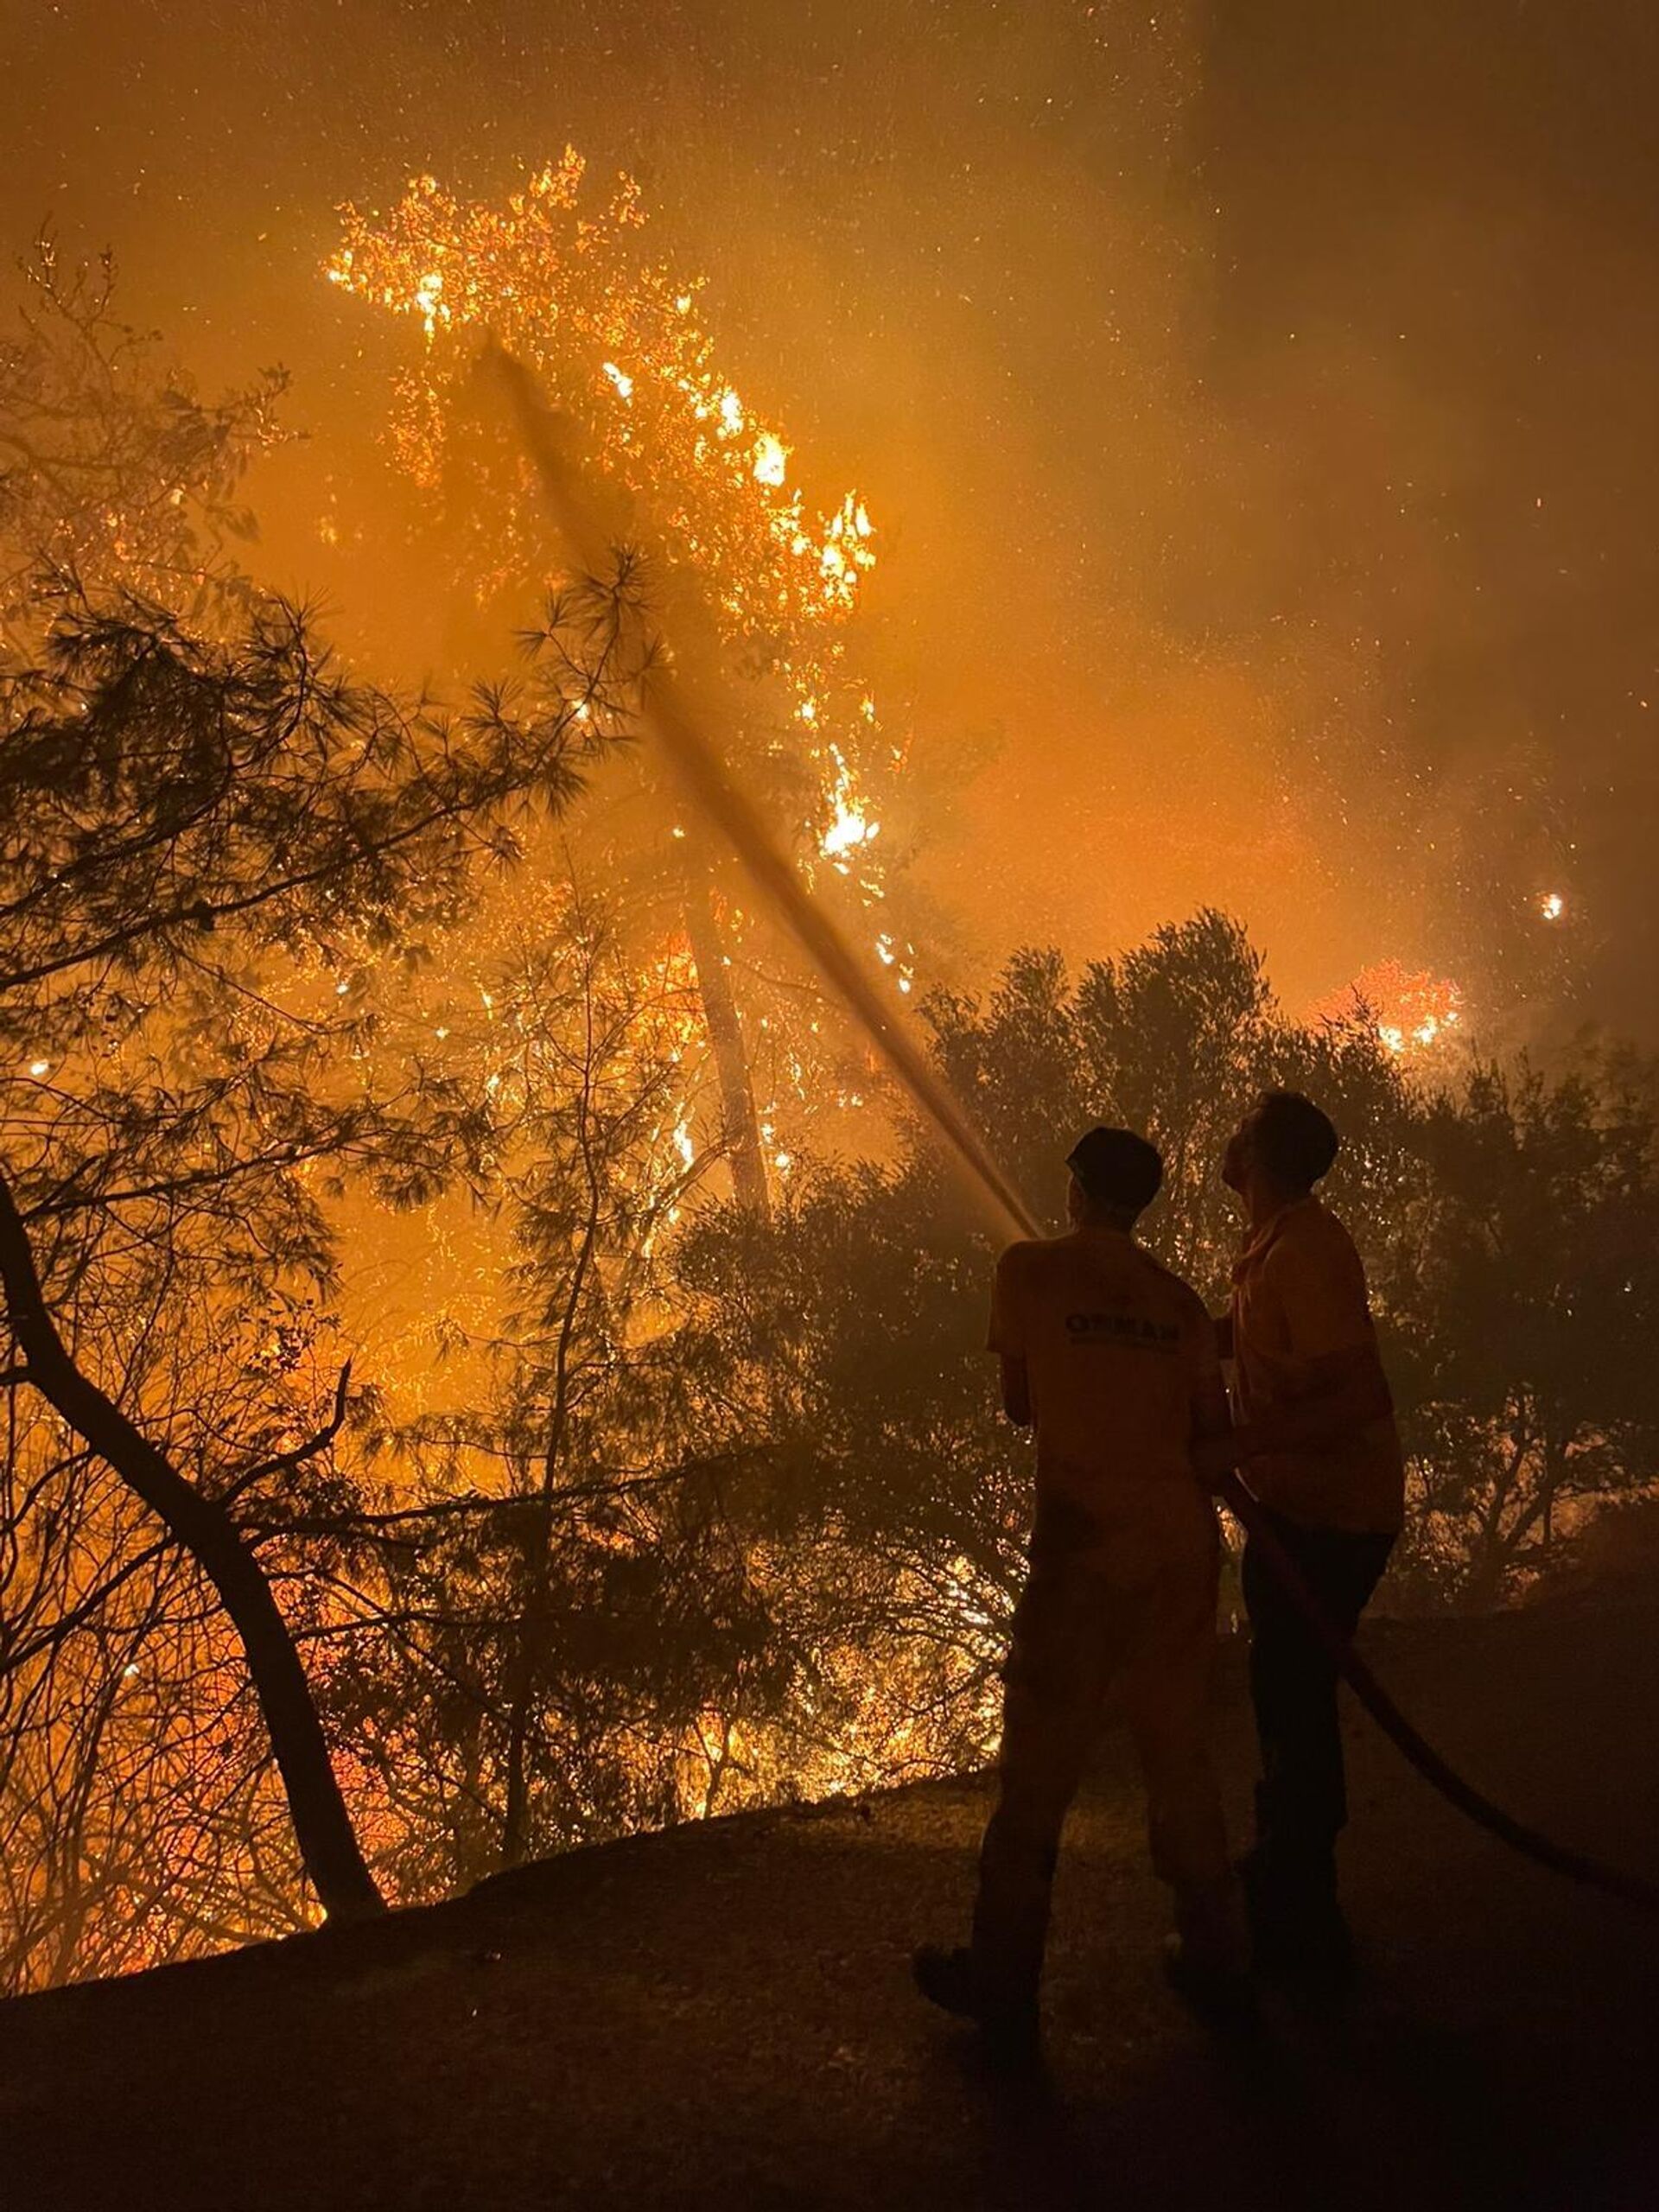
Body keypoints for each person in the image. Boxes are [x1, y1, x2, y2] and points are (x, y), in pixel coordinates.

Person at [912, 1127, 1249, 2059]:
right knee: (1178, 1750)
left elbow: (1021, 1404)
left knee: (1040, 1771)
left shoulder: (1028, 1271)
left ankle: (1002, 1978)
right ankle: (1222, 1955)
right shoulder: (1180, 1303)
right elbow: (1210, 1432)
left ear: (1075, 1191)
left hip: (1082, 1547)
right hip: (1180, 1548)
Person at [1211, 1089, 1403, 1985]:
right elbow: (1264, 1347)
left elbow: (1355, 1393)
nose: (1229, 1132)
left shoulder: (1309, 1254)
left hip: (1331, 1515)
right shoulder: (1277, 1246)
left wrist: (1237, 1444)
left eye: (1242, 1126)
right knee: (1285, 1686)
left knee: (1293, 1692)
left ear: (1261, 1156)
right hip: (1299, 1506)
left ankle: (1303, 1912)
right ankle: (1289, 1868)